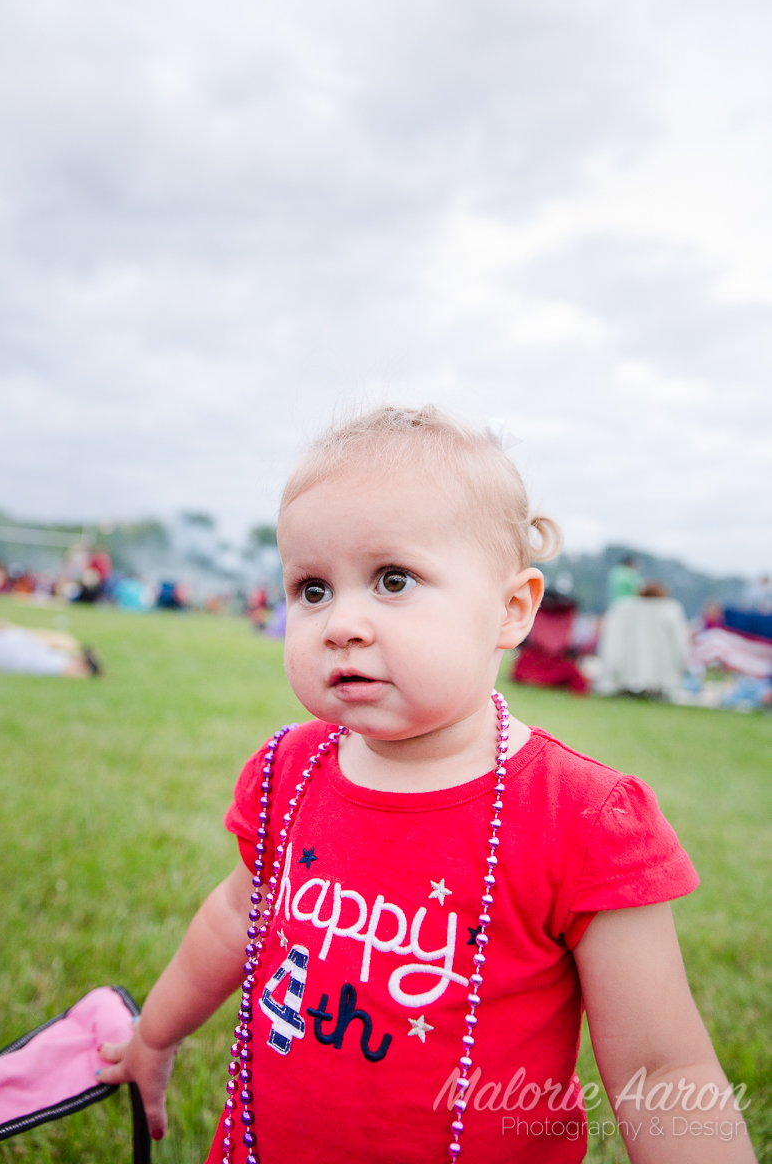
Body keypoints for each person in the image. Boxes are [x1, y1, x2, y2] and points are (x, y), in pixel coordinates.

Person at [98, 406, 754, 1163]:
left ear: (510, 610)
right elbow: (232, 918)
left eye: (393, 579)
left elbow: (659, 1070)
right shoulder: (289, 771)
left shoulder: (580, 818)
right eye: (312, 589)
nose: (341, 622)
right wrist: (154, 1036)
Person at [596, 582, 690, 700]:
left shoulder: (623, 608)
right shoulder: (670, 609)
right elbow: (679, 642)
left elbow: (611, 641)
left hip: (626, 678)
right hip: (662, 680)